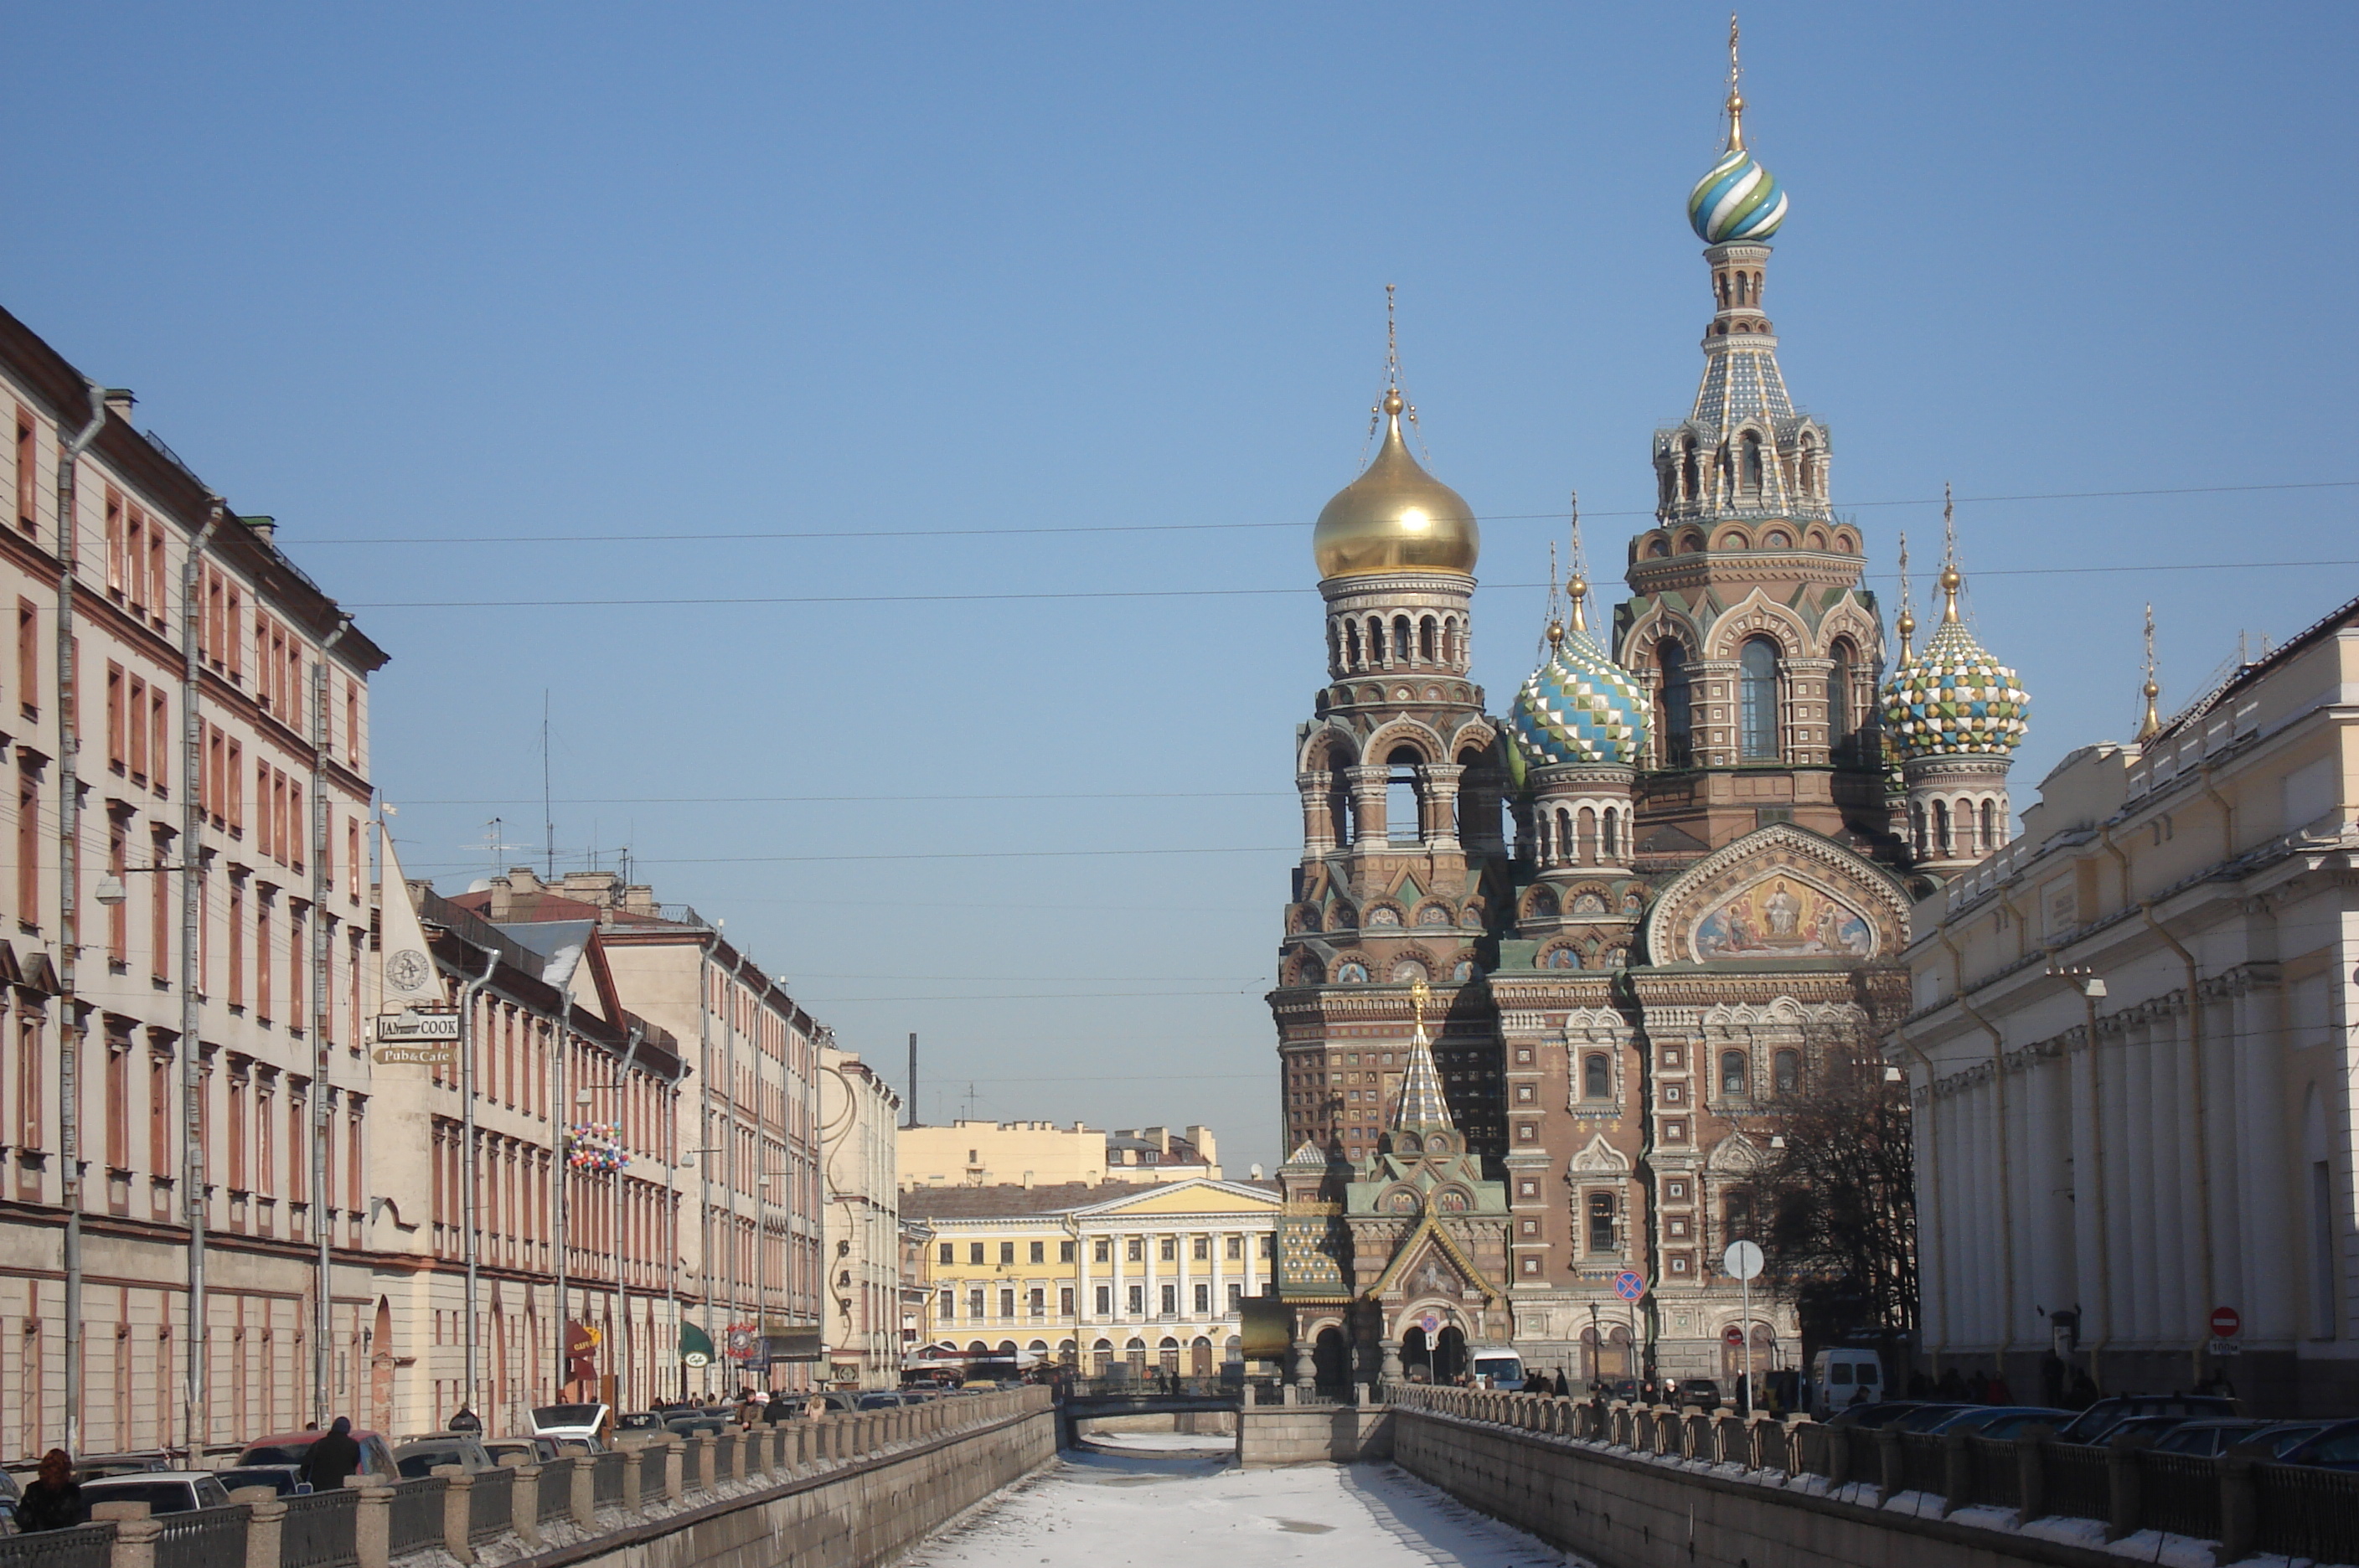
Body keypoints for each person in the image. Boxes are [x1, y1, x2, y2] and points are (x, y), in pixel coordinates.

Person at [16, 1451, 82, 1533]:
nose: (69, 1475)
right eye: (67, 1471)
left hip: (35, 1540)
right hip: (62, 1540)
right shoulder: (71, 1491)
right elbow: (71, 1518)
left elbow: (22, 1519)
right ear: (62, 1473)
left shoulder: (33, 1490)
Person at [300, 1417, 364, 1492]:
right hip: (343, 1489)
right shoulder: (353, 1445)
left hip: (319, 1491)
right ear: (348, 1429)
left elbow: (305, 1467)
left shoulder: (319, 1444)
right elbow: (355, 1463)